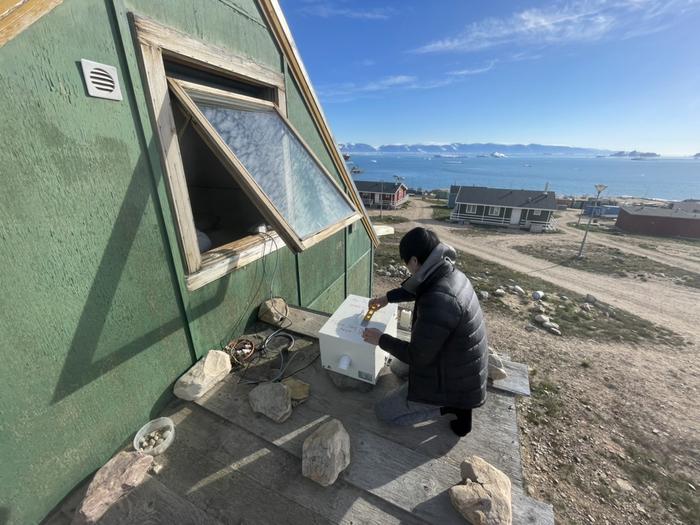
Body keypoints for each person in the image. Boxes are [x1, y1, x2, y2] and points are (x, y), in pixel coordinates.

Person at [362, 227, 488, 436]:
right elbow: (418, 287)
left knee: (383, 412)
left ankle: (451, 407)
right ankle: (442, 400)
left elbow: (417, 356)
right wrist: (386, 298)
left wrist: (380, 339)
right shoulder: (446, 271)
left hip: (456, 383)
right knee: (396, 368)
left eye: (406, 263)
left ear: (413, 261)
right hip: (460, 364)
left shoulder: (439, 299)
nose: (407, 268)